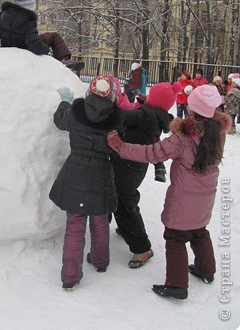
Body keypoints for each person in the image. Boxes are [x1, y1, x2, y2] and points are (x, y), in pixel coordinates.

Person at [107, 84, 231, 300]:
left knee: (175, 237)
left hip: (184, 197)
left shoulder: (183, 137)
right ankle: (206, 269)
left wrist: (120, 146)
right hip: (205, 195)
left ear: (192, 109)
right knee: (199, 231)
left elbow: (153, 153)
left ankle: (177, 284)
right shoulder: (218, 131)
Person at [49, 76, 122, 290]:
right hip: (100, 174)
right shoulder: (116, 120)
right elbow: (119, 144)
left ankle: (70, 275)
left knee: (75, 223)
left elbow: (59, 120)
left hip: (76, 172)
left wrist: (65, 101)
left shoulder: (75, 113)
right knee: (100, 219)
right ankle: (100, 261)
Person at [111, 82, 181, 269]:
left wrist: (107, 102)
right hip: (135, 166)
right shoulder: (156, 116)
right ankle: (126, 227)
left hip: (128, 165)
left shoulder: (144, 115)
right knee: (126, 198)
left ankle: (142, 247)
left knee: (123, 202)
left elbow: (121, 116)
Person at [0, 0, 84, 72]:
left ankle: (62, 60)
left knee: (47, 36)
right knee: (54, 36)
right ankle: (63, 61)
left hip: (8, 46)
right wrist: (46, 51)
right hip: (25, 49)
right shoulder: (28, 21)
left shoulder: (0, 16)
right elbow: (34, 46)